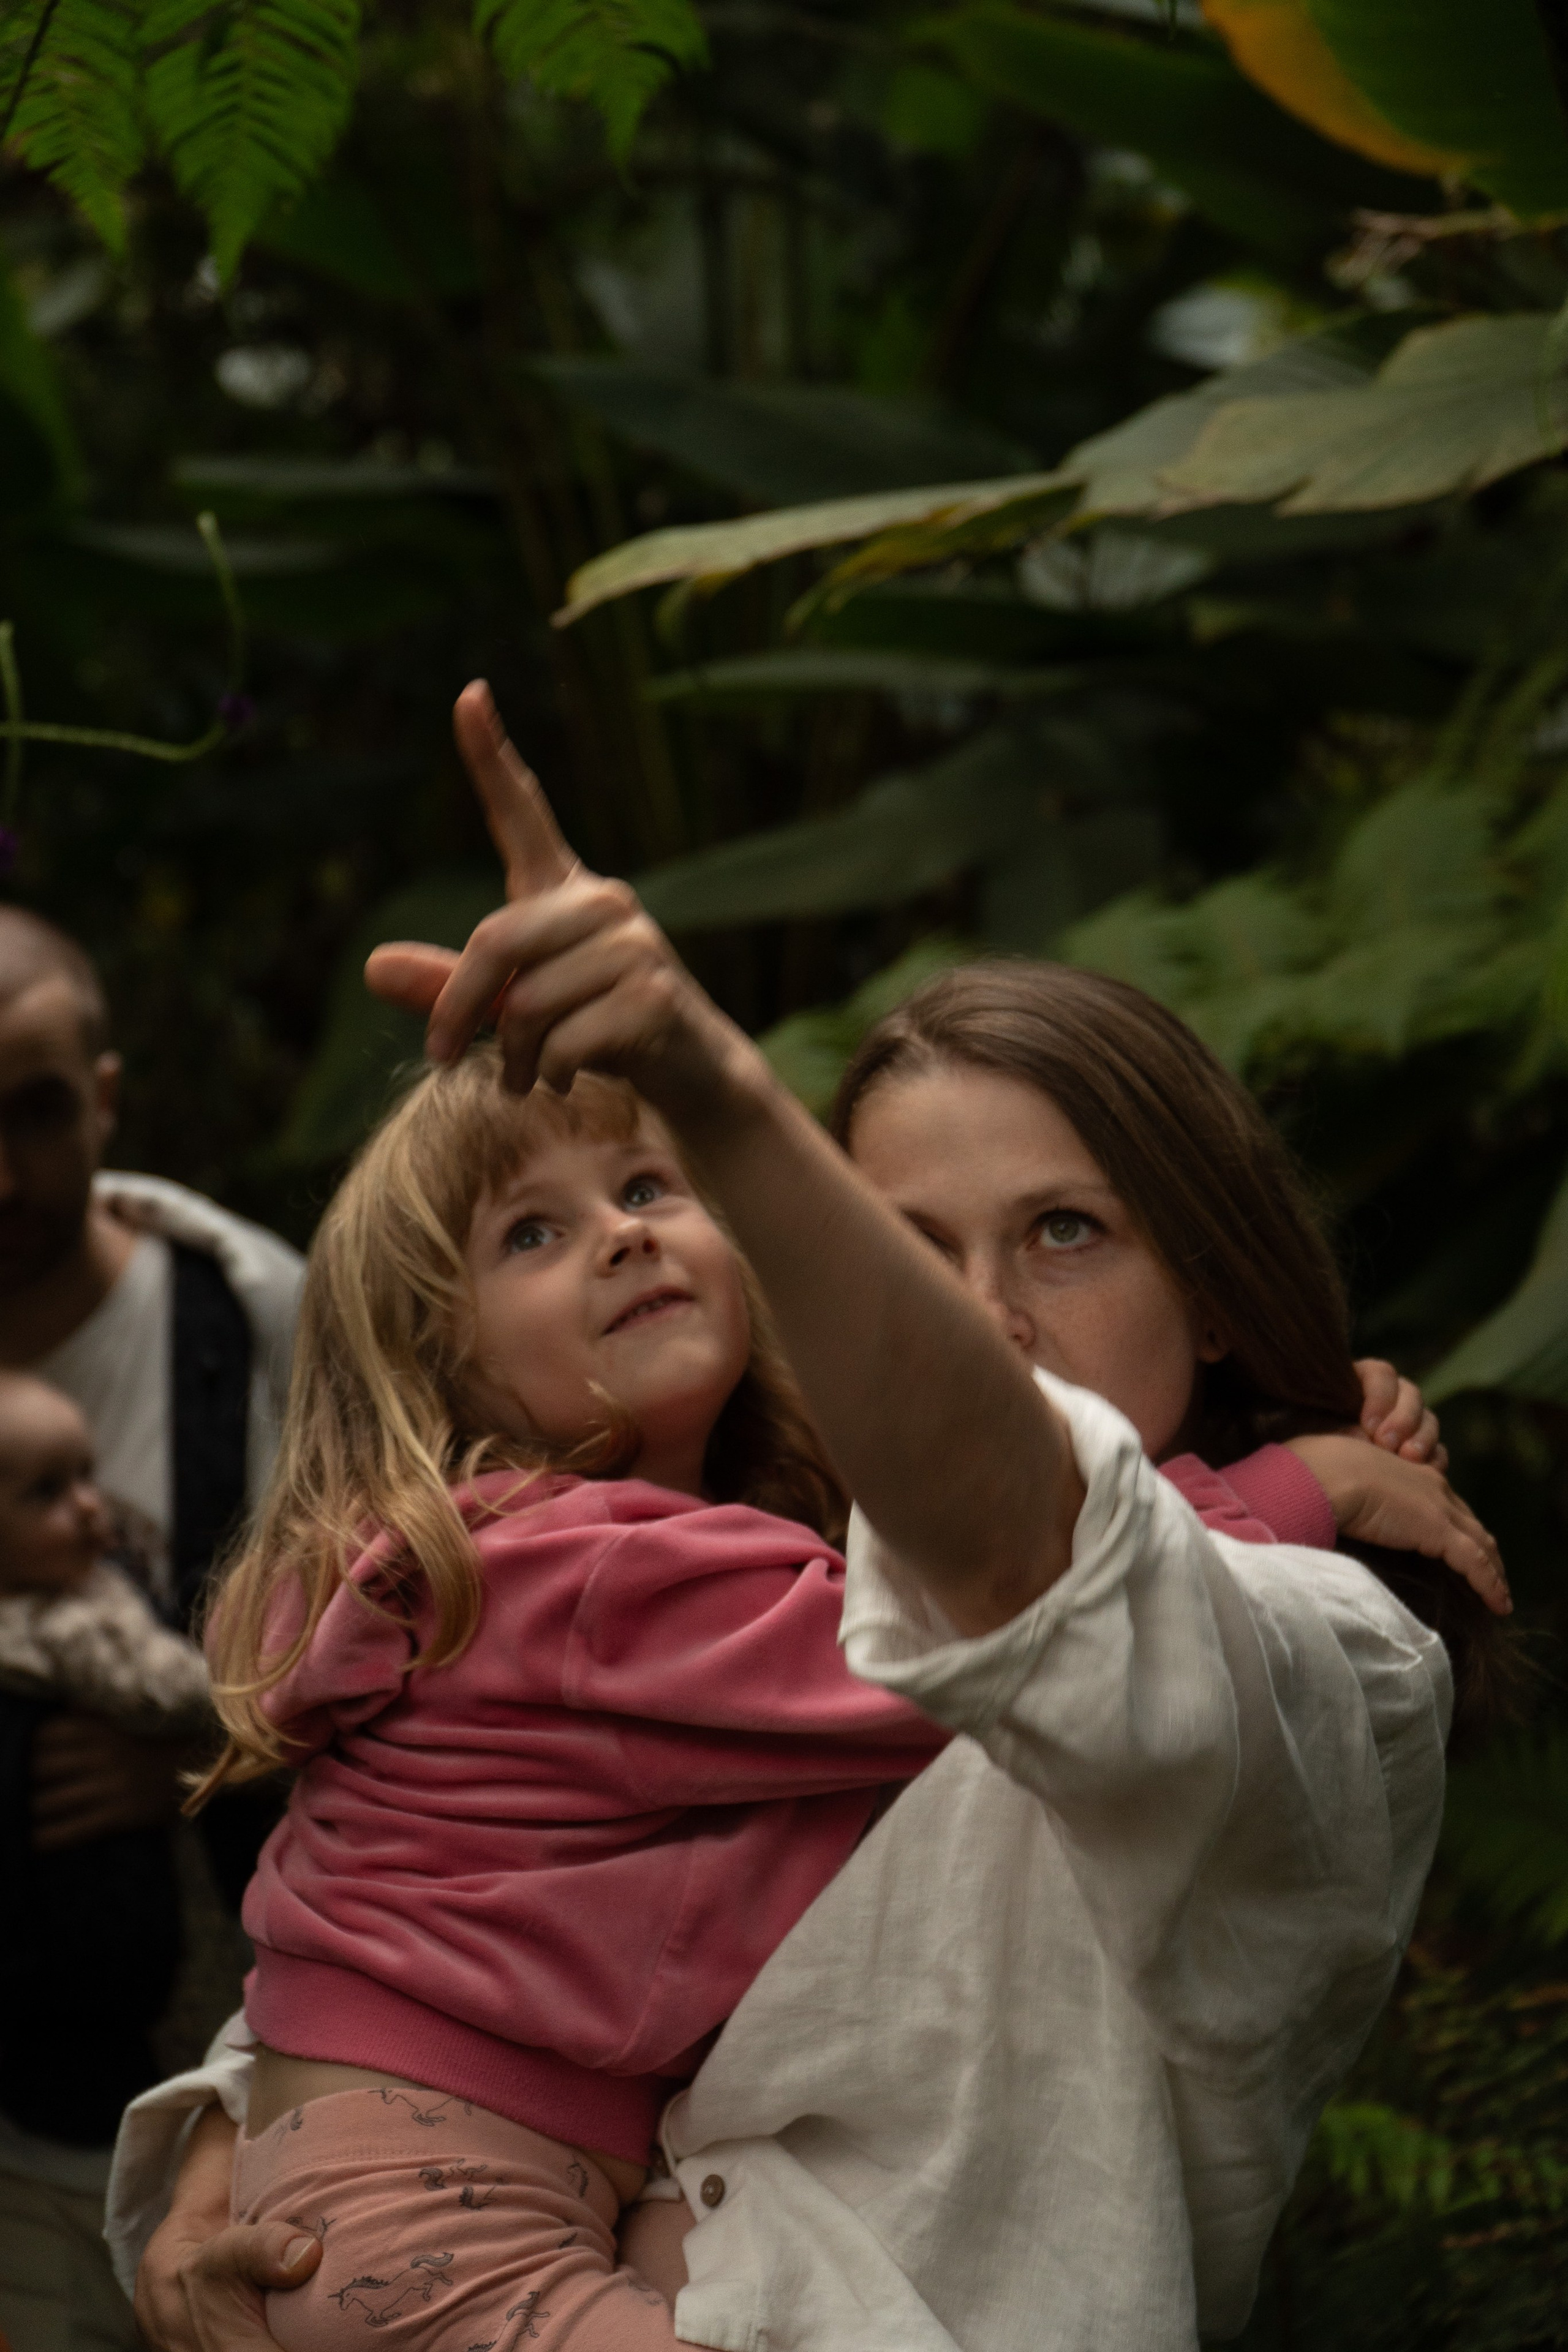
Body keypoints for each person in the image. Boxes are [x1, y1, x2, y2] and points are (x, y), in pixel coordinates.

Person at [121, 684, 1506, 2352]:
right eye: (903, 1259)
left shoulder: (1329, 1643)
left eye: (1065, 1233)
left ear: (1210, 1286)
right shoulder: (675, 1562)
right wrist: (225, 2138)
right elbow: (492, 1894)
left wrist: (1296, 1491)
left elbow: (1049, 1598)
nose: (983, 1317)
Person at [0, 910, 303, 2351]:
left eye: (38, 1112)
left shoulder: (243, 1332)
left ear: (106, 1099)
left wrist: (194, 1768)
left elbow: (404, 1685)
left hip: (210, 2108)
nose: (0, 1174)